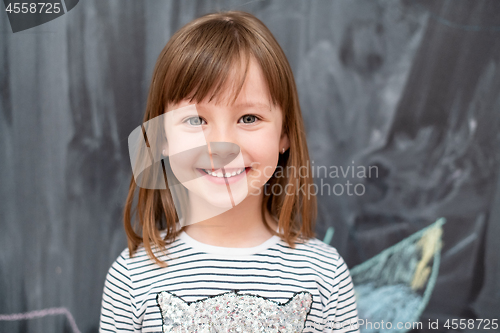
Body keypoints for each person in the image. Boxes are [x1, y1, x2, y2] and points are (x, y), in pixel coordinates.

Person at [99, 10, 360, 333]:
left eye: (248, 118)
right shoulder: (133, 276)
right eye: (196, 120)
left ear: (284, 135)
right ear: (162, 137)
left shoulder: (323, 275)